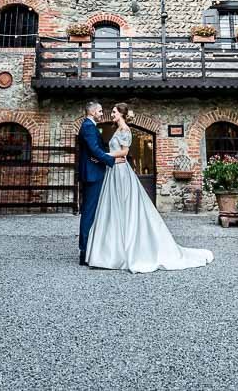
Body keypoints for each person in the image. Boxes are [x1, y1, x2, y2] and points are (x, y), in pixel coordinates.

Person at [85, 103, 214, 273]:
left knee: (124, 206)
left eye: (114, 112)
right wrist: (108, 158)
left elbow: (124, 152)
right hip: (113, 170)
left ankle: (127, 248)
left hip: (121, 171)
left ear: (122, 114)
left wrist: (104, 155)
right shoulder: (118, 130)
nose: (112, 114)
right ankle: (112, 250)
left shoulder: (125, 130)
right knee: (113, 208)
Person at [77, 101, 127, 266]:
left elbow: (94, 151)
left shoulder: (90, 126)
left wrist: (102, 158)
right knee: (89, 212)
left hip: (94, 171)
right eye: (99, 111)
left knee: (93, 211)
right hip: (92, 174)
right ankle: (85, 251)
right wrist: (111, 160)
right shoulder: (88, 127)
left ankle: (92, 248)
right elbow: (94, 150)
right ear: (92, 112)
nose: (101, 113)